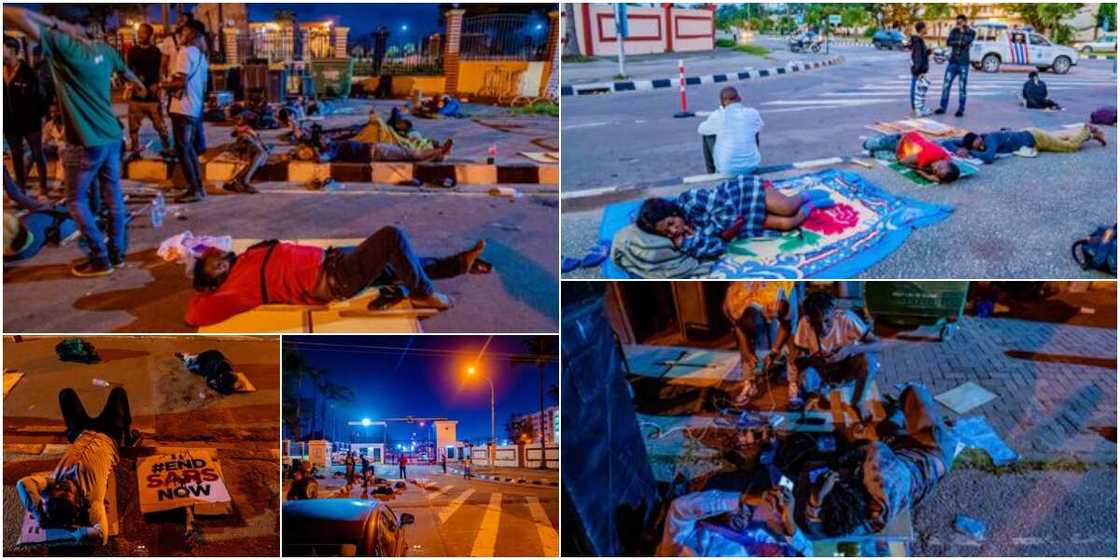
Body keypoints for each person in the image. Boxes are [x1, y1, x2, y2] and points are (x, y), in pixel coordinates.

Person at [4, 7, 149, 277]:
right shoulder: (104, 50)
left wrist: (51, 21)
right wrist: (140, 86)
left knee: (75, 200)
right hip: (112, 136)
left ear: (66, 25)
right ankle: (116, 252)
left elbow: (10, 12)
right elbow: (130, 76)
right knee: (113, 195)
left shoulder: (64, 45)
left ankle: (100, 256)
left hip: (85, 141)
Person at [185, 227, 488, 326]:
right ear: (218, 275)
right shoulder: (236, 290)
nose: (211, 256)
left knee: (398, 263)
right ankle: (425, 292)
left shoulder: (242, 257)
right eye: (210, 263)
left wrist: (200, 256)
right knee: (392, 238)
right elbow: (194, 315)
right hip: (336, 278)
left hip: (333, 259)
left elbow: (209, 246)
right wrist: (206, 289)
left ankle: (460, 264)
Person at [799, 384, 961, 537]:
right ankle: (938, 426)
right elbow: (867, 446)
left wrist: (816, 499)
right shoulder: (876, 467)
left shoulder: (873, 517)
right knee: (914, 392)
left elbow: (818, 529)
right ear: (847, 483)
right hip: (931, 452)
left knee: (887, 429)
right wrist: (837, 465)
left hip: (906, 464)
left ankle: (899, 419)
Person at [16, 387, 140, 545]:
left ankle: (70, 431)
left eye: (58, 490)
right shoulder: (93, 499)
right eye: (67, 492)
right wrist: (72, 532)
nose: (63, 486)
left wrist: (41, 516)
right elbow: (101, 535)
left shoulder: (52, 483)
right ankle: (128, 438)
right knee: (118, 393)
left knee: (65, 394)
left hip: (81, 433)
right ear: (79, 501)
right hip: (109, 435)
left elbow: (23, 484)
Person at [635, 176, 834, 260]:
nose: (674, 231)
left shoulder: (690, 200)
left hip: (742, 194)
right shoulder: (690, 237)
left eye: (671, 224)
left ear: (674, 212)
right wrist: (690, 242)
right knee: (788, 224)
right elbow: (718, 246)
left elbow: (726, 210)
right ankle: (812, 205)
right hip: (744, 221)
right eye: (667, 233)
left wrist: (711, 232)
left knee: (787, 207)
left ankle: (806, 196)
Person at [788, 291, 881, 415]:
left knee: (869, 363)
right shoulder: (805, 323)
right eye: (816, 324)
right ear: (809, 319)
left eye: (827, 321)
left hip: (847, 366)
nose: (823, 328)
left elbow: (877, 344)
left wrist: (849, 349)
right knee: (805, 380)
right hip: (823, 370)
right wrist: (798, 374)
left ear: (834, 312)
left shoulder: (846, 318)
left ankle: (856, 401)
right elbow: (799, 356)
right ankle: (822, 394)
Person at [656, 486, 811, 556]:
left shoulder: (684, 549)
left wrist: (742, 499)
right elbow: (804, 549)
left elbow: (680, 509)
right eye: (785, 552)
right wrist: (787, 517)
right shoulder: (762, 544)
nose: (780, 551)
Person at [723, 282, 801, 407]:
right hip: (748, 296)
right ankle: (749, 382)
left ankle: (793, 382)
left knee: (792, 338)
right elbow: (739, 329)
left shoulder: (779, 303)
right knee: (746, 347)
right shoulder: (732, 306)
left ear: (765, 316)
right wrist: (747, 352)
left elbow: (786, 326)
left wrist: (775, 351)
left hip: (780, 286)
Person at [163, 19, 209, 203]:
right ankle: (198, 187)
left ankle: (195, 190)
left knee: (184, 150)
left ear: (192, 34)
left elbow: (180, 82)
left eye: (183, 32)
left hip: (182, 108)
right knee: (189, 149)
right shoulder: (200, 55)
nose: (180, 36)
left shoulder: (185, 52)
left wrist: (160, 85)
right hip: (194, 108)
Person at [4, 37, 48, 195]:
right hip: (9, 123)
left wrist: (42, 116)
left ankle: (43, 188)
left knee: (37, 153)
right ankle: (21, 188)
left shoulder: (28, 72)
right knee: (15, 155)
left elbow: (41, 96)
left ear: (11, 50)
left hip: (30, 121)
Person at [945, 124, 1107, 164]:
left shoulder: (990, 139)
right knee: (1063, 138)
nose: (980, 147)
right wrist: (959, 148)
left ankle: (1088, 131)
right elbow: (947, 142)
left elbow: (988, 157)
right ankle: (1085, 132)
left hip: (1037, 138)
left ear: (979, 138)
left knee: (1070, 147)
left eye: (978, 144)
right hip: (1030, 134)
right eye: (975, 148)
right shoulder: (973, 141)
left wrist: (970, 152)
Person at [126, 23, 172, 160]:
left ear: (151, 35)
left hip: (152, 98)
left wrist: (158, 86)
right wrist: (133, 85)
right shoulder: (133, 51)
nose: (140, 35)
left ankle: (167, 149)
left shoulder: (156, 52)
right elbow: (128, 71)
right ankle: (135, 152)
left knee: (160, 126)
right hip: (136, 97)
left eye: (144, 32)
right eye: (139, 32)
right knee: (133, 128)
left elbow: (161, 71)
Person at [696, 87, 764, 176]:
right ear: (739, 98)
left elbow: (700, 129)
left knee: (707, 134)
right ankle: (748, 160)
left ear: (722, 102)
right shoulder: (752, 113)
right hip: (752, 168)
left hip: (727, 170)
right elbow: (760, 125)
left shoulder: (718, 115)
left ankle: (712, 174)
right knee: (753, 128)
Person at [862, 131, 961, 183]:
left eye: (936, 172)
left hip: (910, 148)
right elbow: (903, 161)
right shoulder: (927, 156)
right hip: (899, 142)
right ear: (947, 163)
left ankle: (872, 153)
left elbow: (944, 173)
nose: (934, 168)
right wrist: (923, 172)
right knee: (866, 144)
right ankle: (874, 142)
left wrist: (929, 176)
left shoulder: (947, 158)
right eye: (939, 167)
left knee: (881, 155)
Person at [935, 15, 975, 117]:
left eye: (960, 22)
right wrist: (959, 42)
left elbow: (967, 41)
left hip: (963, 63)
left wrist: (960, 38)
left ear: (965, 22)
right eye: (957, 22)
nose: (958, 24)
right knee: (946, 85)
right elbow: (948, 42)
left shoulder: (971, 32)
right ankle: (942, 107)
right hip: (952, 62)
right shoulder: (954, 31)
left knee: (962, 87)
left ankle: (961, 109)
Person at [221, 111, 266, 194]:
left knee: (262, 154)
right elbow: (236, 133)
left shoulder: (247, 126)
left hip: (250, 143)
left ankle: (238, 181)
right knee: (260, 153)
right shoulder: (242, 129)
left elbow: (254, 134)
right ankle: (243, 181)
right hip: (246, 143)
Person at [909, 21, 932, 117]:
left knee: (917, 89)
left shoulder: (919, 40)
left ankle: (917, 108)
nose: (927, 29)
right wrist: (920, 72)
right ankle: (917, 109)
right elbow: (918, 58)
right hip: (919, 71)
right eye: (926, 27)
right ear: (922, 29)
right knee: (917, 90)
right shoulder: (918, 41)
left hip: (918, 70)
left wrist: (928, 52)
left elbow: (921, 55)